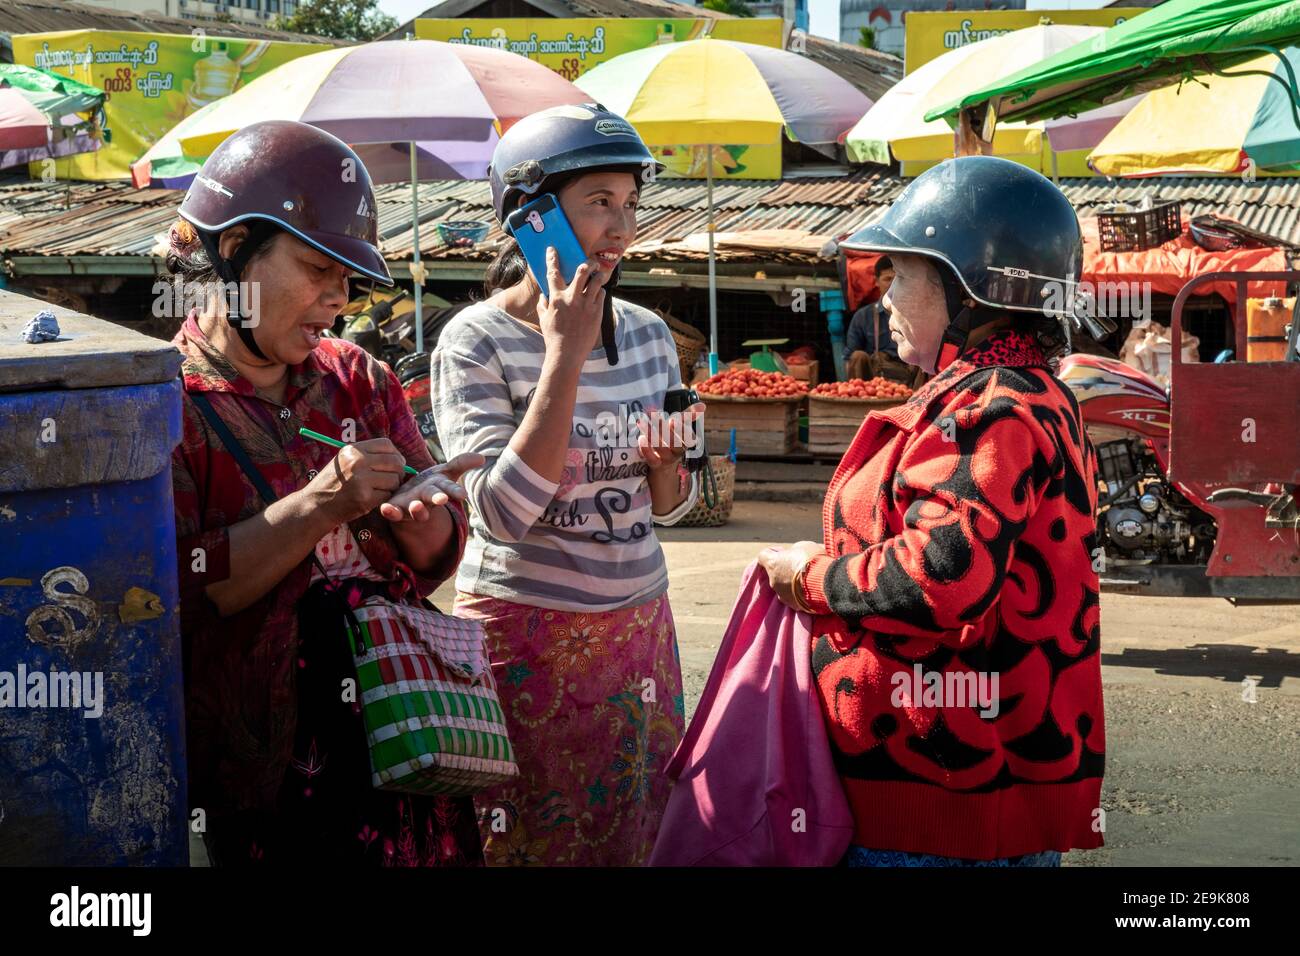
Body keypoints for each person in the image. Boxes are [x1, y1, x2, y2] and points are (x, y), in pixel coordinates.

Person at [758, 156, 1110, 867]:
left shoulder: (994, 408)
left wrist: (812, 577)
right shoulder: (1004, 393)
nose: (882, 297)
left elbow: (940, 577)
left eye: (901, 274)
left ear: (969, 292)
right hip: (938, 782)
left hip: (945, 804)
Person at [169, 120, 485, 867]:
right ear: (236, 252)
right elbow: (184, 586)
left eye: (348, 282)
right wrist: (320, 505)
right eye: (317, 271)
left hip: (402, 742)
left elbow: (438, 548)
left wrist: (425, 526)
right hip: (261, 776)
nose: (335, 302)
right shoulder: (165, 406)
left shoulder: (360, 380)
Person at [430, 104, 702, 866]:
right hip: (526, 639)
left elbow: (672, 508)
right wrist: (564, 355)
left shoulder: (650, 334)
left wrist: (663, 465)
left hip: (639, 631)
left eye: (630, 204)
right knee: (524, 839)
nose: (622, 228)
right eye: (599, 204)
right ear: (534, 218)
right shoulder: (474, 340)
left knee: (633, 831)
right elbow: (502, 516)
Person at [845, 256, 898, 380]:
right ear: (876, 282)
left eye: (897, 279)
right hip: (874, 379)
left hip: (907, 375)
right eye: (887, 279)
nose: (892, 285)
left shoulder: (914, 314)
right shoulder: (863, 316)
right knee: (857, 356)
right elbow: (849, 359)